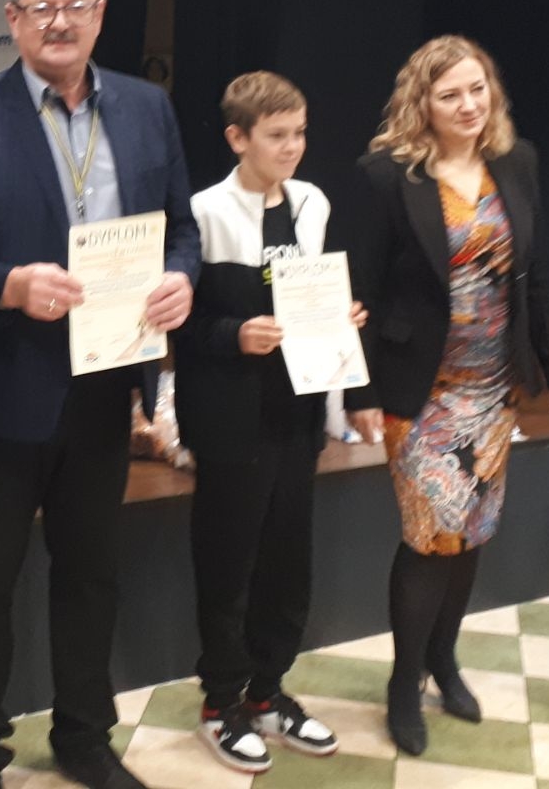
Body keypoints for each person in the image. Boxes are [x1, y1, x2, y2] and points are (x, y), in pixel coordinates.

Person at [0, 0, 201, 789]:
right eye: (41, 8)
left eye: (75, 6)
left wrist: (180, 278)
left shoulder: (147, 108)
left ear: (100, 15)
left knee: (90, 577)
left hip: (108, 389)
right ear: (14, 20)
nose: (59, 22)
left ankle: (84, 736)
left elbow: (181, 228)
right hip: (4, 391)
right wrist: (8, 285)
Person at [343, 35, 549, 756]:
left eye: (478, 89)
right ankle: (403, 681)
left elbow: (540, 270)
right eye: (450, 94)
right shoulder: (387, 176)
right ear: (422, 104)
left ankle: (443, 660)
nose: (468, 105)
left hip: (493, 388)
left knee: (471, 529)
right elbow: (360, 290)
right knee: (429, 536)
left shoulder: (516, 160)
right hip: (422, 391)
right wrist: (357, 389)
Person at [174, 72, 364, 771]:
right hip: (230, 418)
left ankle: (267, 691)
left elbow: (321, 294)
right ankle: (220, 702)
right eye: (277, 135)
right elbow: (179, 322)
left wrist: (342, 316)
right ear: (238, 137)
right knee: (229, 562)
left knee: (288, 561)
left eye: (300, 133)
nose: (293, 147)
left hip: (297, 411)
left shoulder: (313, 203)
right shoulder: (203, 213)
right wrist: (234, 335)